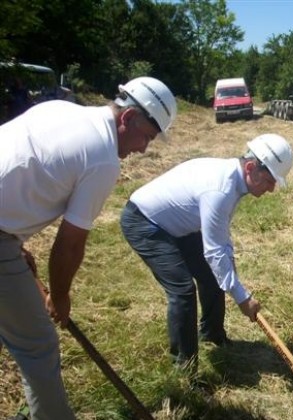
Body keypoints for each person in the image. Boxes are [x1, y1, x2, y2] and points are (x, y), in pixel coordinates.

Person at [0, 76, 177, 419]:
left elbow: (18, 167)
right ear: (127, 119)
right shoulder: (102, 160)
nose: (143, 149)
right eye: (146, 137)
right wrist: (61, 297)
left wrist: (12, 239)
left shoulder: (60, 110)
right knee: (39, 346)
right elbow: (69, 244)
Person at [120, 134, 293, 373]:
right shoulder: (220, 188)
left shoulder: (234, 182)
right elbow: (215, 251)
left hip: (176, 224)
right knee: (183, 291)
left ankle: (212, 335)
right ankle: (185, 369)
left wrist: (231, 274)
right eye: (269, 180)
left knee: (213, 276)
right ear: (251, 167)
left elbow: (220, 242)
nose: (272, 188)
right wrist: (243, 298)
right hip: (145, 222)